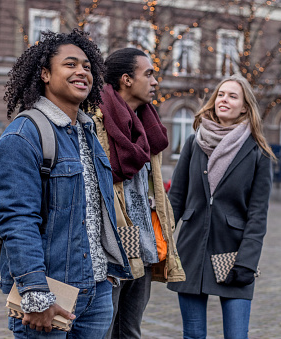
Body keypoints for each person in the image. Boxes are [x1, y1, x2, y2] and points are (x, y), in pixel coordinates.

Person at [0, 29, 132, 338]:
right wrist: (36, 293)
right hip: (51, 293)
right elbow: (17, 220)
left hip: (96, 292)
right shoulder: (23, 136)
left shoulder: (87, 133)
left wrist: (105, 276)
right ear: (43, 73)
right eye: (70, 64)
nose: (82, 71)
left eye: (86, 65)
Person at [167, 75, 276, 339]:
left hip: (234, 254)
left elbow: (257, 215)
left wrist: (247, 263)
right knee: (193, 335)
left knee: (236, 336)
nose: (223, 100)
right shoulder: (194, 143)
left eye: (232, 96)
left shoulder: (257, 153)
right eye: (221, 94)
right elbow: (176, 199)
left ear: (245, 107)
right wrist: (160, 241)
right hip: (192, 250)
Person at [92, 47, 186, 339]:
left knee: (130, 330)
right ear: (126, 80)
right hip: (113, 239)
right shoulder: (95, 120)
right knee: (104, 329)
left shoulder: (148, 123)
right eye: (149, 74)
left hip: (143, 239)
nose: (155, 81)